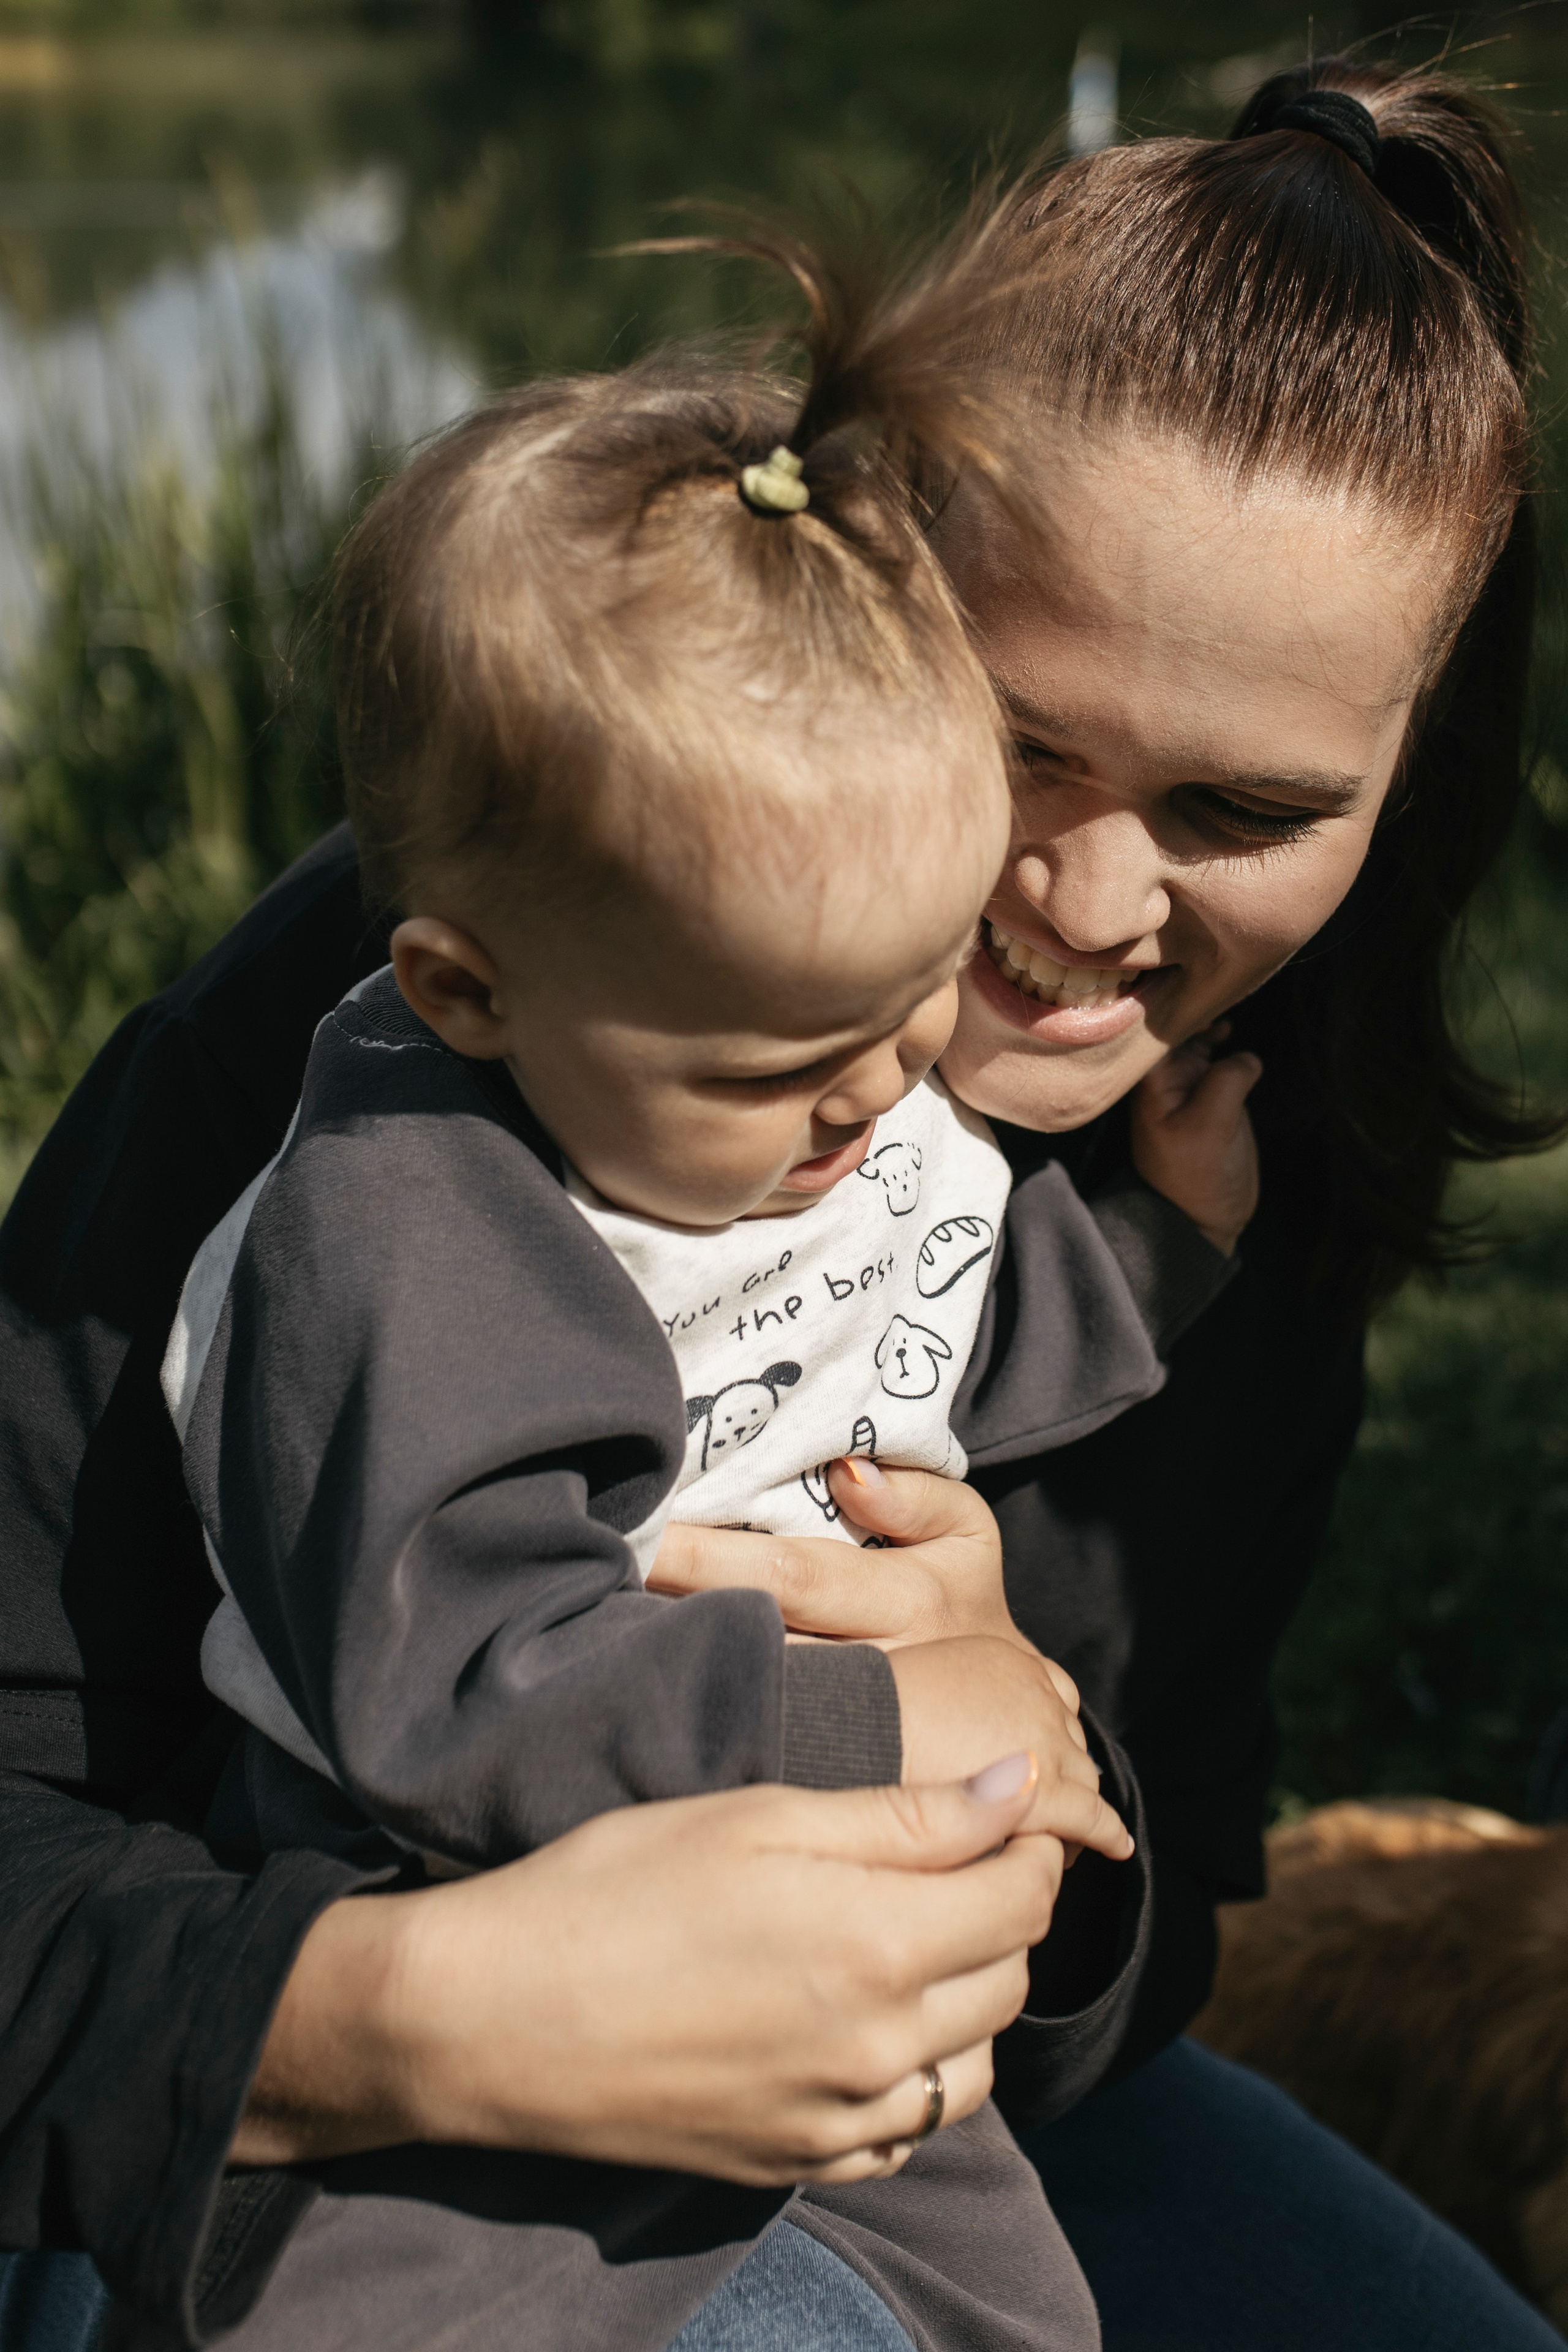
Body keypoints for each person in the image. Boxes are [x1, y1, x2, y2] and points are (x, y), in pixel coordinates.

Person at [0, 45, 1561, 2352]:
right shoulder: (433, 1038)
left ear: (1396, 777)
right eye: (1028, 737)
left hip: (938, 2125)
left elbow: (1172, 1895)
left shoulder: (1238, 1133)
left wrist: (1032, 1763)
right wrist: (413, 2016)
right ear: (858, 569)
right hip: (302, 2145)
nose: (1099, 898)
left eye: (1248, 807)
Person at [152, 262, 1219, 2348]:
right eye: (778, 1071)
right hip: (468, 1974)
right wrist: (867, 1723)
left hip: (832, 1981)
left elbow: (927, 1306)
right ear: (468, 989)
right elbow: (455, 1687)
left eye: (914, 1010)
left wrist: (1165, 1247)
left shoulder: (810, 1056)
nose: (878, 1096)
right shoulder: (399, 1228)